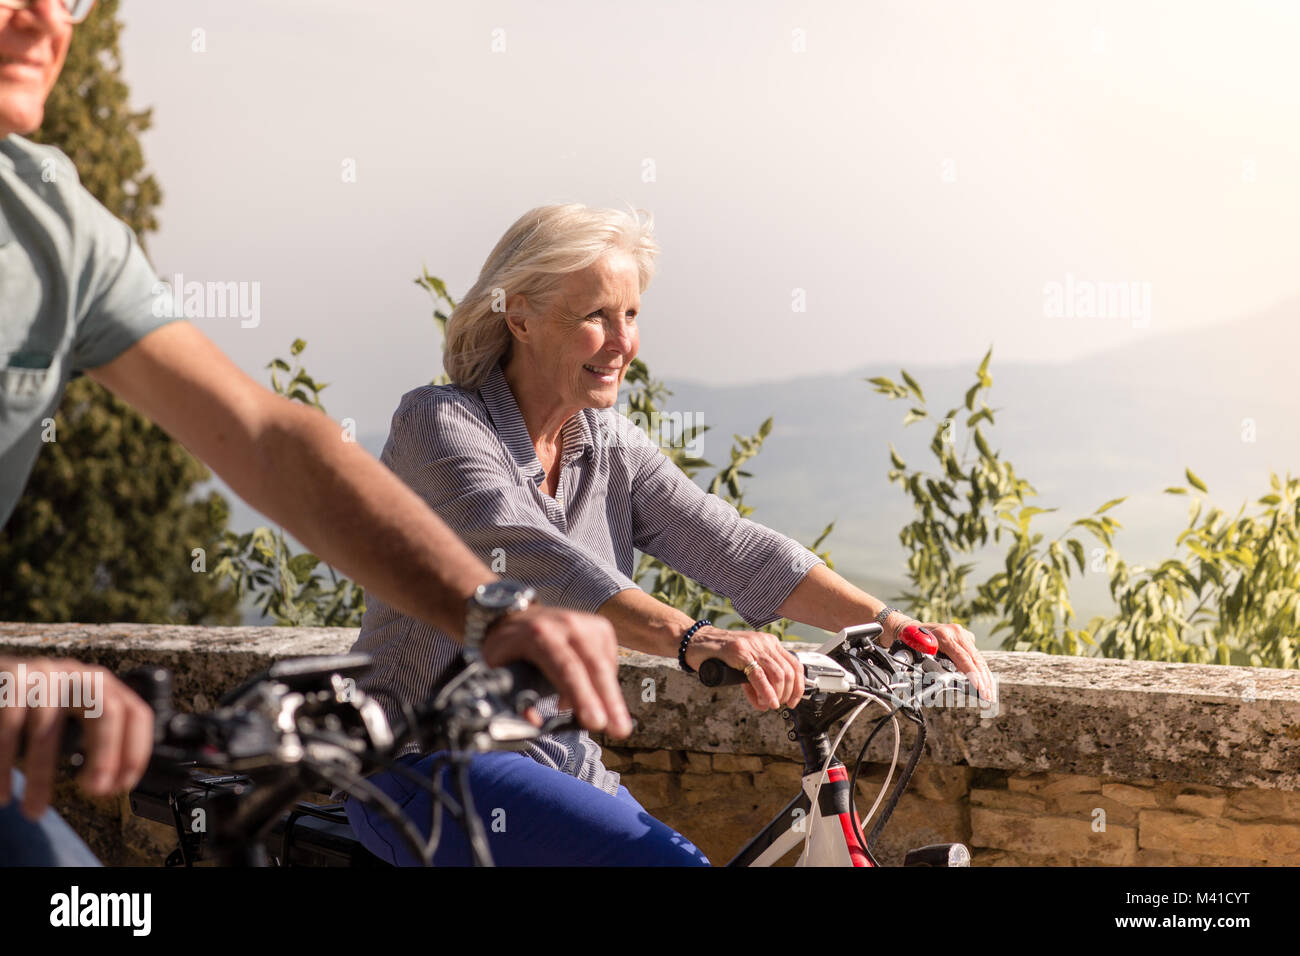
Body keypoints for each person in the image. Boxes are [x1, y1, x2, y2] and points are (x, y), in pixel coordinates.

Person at [0, 0, 629, 865]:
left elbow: (265, 436)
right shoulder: (446, 418)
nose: (43, 22)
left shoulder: (50, 222)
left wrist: (485, 609)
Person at [345, 202, 997, 866]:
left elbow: (731, 546)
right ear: (520, 318)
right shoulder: (440, 423)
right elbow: (533, 561)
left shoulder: (609, 446)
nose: (622, 342)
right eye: (594, 315)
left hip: (558, 755)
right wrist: (692, 638)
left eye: (630, 315)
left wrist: (889, 622)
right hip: (421, 761)